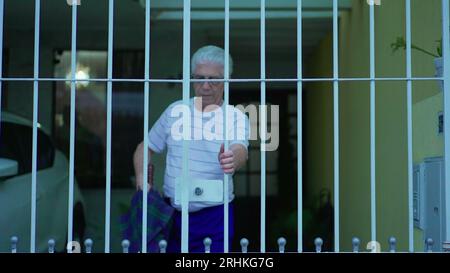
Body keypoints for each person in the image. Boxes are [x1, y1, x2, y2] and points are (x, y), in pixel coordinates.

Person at [130, 45, 250, 253]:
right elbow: (145, 147)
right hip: (172, 215)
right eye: (199, 77)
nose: (205, 85)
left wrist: (232, 158)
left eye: (213, 79)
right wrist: (141, 177)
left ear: (226, 80)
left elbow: (241, 150)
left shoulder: (235, 116)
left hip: (215, 215)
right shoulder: (175, 111)